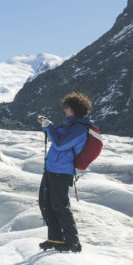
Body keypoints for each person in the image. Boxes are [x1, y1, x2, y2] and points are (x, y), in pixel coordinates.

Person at [37, 92, 93, 253]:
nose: (65, 110)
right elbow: (58, 139)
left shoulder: (79, 129)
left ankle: (73, 242)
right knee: (47, 204)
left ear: (74, 109)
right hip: (52, 169)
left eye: (67, 107)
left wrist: (49, 127)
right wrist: (48, 126)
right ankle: (55, 238)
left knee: (60, 206)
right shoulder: (70, 126)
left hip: (61, 172)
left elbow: (60, 145)